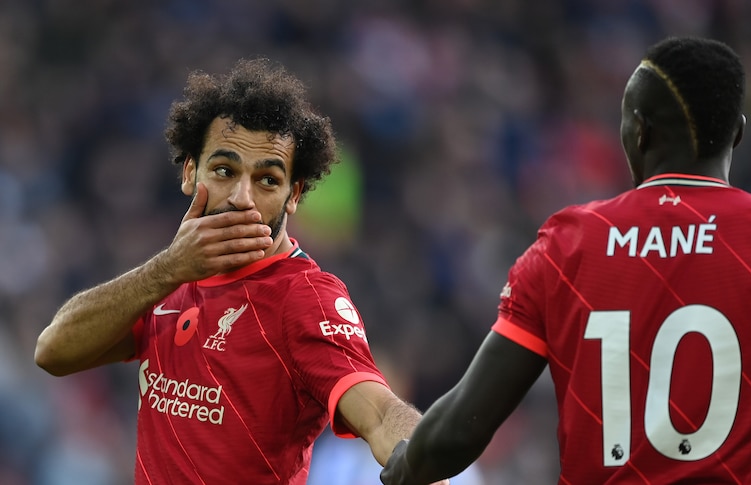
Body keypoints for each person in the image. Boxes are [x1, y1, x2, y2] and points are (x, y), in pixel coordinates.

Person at [380, 36, 751, 485]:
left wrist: (399, 466)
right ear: (736, 133)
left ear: (638, 130)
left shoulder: (566, 246)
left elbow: (459, 430)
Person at [34, 58, 445, 485]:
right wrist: (167, 269)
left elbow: (378, 412)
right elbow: (54, 351)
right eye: (225, 171)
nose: (242, 198)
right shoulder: (171, 278)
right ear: (191, 171)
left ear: (294, 195)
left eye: (267, 180)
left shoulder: (303, 297)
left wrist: (424, 463)